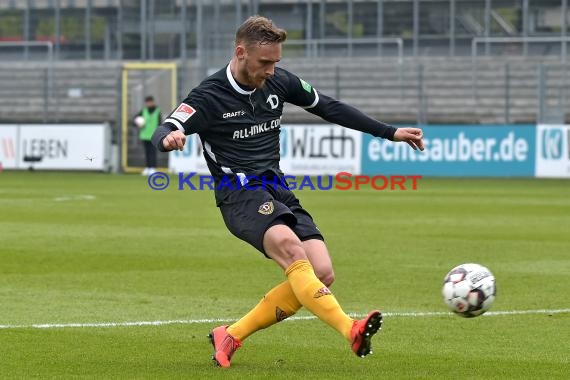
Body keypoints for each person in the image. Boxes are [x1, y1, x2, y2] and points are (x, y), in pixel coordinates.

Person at [152, 16, 424, 368]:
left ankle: (231, 335)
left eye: (276, 62)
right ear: (240, 52)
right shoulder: (209, 96)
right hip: (238, 193)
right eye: (264, 62)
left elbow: (328, 106)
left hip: (276, 188)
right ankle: (350, 329)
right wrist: (168, 138)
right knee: (292, 249)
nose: (270, 70)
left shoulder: (280, 81)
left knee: (322, 271)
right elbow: (169, 125)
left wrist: (390, 132)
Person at [134, 95, 162, 175]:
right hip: (145, 136)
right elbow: (135, 120)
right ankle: (147, 167)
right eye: (147, 102)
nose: (149, 103)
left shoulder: (157, 111)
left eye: (150, 102)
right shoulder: (143, 111)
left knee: (153, 152)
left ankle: (153, 168)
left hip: (154, 136)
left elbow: (160, 123)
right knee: (147, 152)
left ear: (153, 102)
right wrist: (137, 124)